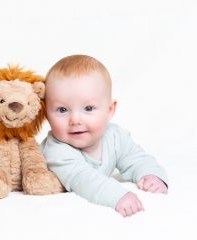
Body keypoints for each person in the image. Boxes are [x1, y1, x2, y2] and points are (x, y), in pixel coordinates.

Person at [41, 54, 168, 217]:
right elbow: (83, 180)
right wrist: (117, 196)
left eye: (88, 108)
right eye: (62, 110)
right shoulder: (56, 150)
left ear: (110, 110)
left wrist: (152, 175)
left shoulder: (114, 136)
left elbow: (136, 158)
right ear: (46, 114)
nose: (75, 120)